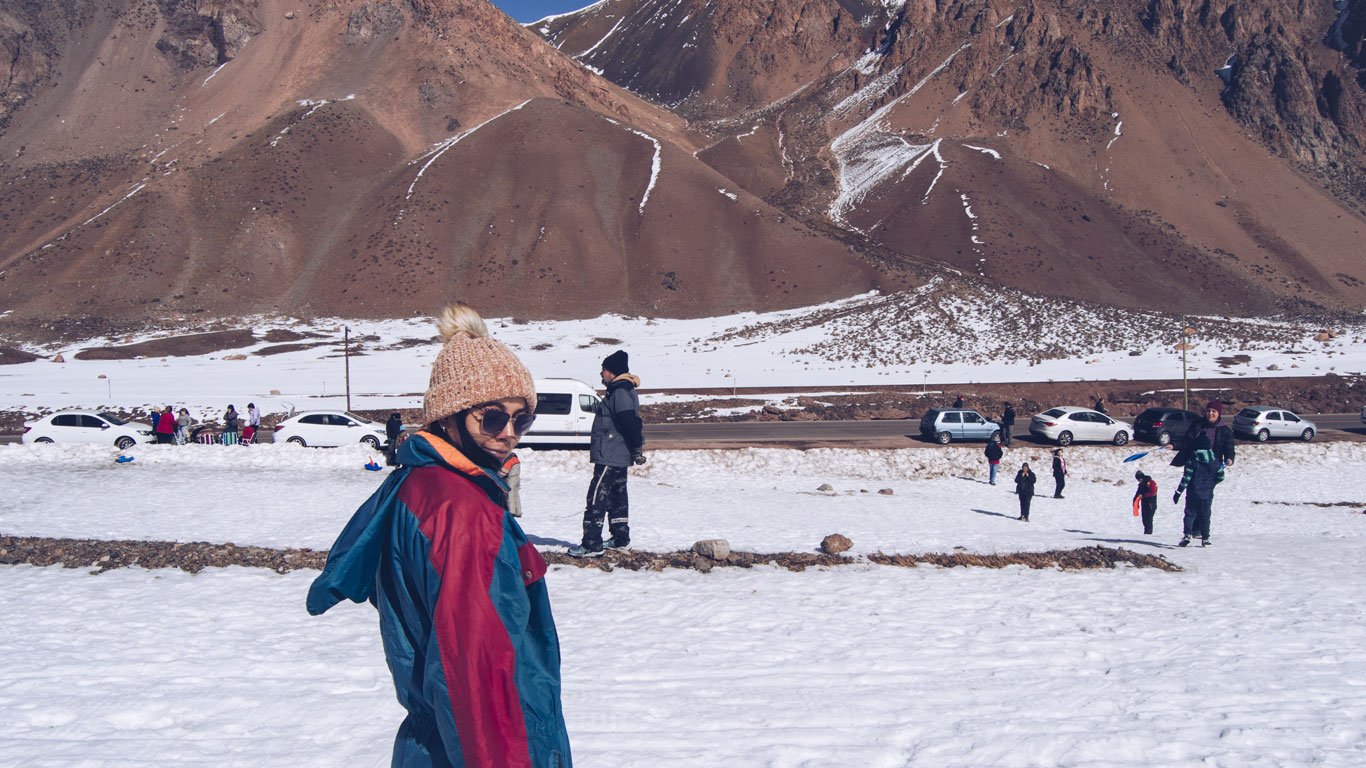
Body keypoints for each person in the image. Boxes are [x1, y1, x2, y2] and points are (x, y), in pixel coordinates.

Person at [306, 301, 572, 767]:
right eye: (492, 417)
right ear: (449, 416)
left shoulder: (419, 485)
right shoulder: (462, 513)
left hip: (437, 743)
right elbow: (474, 671)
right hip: (481, 745)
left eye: (521, 418)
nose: (510, 433)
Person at [569, 349, 645, 557]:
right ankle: (621, 538)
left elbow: (629, 422)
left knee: (597, 497)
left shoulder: (619, 392)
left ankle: (592, 543)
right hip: (618, 454)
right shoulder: (622, 390)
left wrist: (637, 445)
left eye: (603, 370)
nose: (601, 374)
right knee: (618, 496)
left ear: (612, 371)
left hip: (611, 454)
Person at [1174, 445, 1226, 547]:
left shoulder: (1192, 460)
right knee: (1205, 516)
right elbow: (1221, 476)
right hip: (1207, 494)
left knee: (1190, 514)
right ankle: (1205, 538)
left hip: (1193, 492)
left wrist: (1178, 492)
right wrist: (1212, 484)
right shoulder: (1214, 461)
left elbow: (1186, 478)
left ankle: (1187, 535)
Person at [1171, 399, 1236, 469]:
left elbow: (1229, 449)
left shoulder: (1225, 431)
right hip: (1195, 464)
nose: (1210, 413)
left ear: (1218, 413)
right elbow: (1186, 442)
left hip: (1213, 465)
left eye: (1213, 411)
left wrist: (1230, 458)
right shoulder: (1197, 425)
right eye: (1208, 411)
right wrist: (1173, 445)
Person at [1133, 470, 1159, 535]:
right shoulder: (1141, 485)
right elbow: (1138, 494)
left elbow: (1153, 492)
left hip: (1151, 504)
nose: (1139, 480)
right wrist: (1135, 503)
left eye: (1139, 478)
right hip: (1144, 504)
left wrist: (1144, 495)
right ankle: (1146, 533)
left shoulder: (1151, 482)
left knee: (1149, 519)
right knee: (1144, 519)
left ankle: (1148, 534)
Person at [501, 452, 523, 518]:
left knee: (510, 495)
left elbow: (504, 472)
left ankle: (512, 511)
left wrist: (497, 475)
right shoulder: (517, 460)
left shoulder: (510, 461)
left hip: (511, 479)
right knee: (516, 495)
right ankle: (518, 512)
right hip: (517, 478)